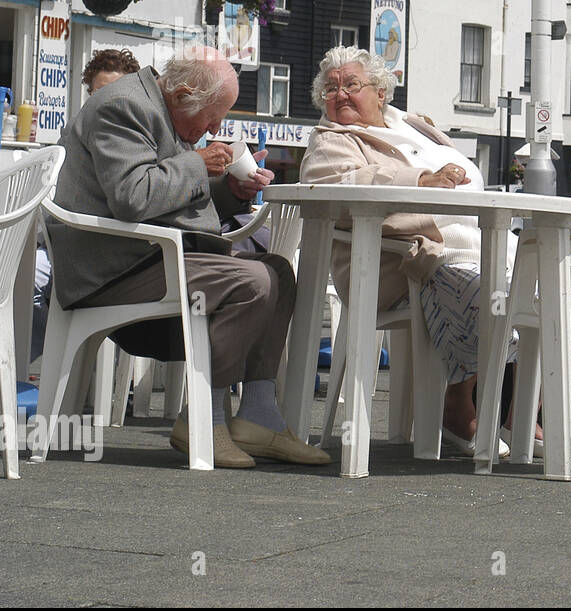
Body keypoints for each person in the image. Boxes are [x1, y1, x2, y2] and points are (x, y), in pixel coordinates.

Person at [47, 44, 329, 468]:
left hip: (146, 256)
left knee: (278, 272)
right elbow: (133, 197)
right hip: (112, 270)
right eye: (212, 117)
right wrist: (198, 164)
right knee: (252, 282)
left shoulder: (159, 107)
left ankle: (257, 415)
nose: (217, 127)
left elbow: (163, 194)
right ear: (181, 96)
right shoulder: (123, 106)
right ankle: (204, 418)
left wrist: (229, 192)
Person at [300, 46, 528, 457]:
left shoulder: (412, 125)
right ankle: (458, 407)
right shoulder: (329, 141)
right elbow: (344, 181)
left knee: (552, 289)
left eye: (351, 84)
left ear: (381, 92)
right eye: (331, 89)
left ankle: (525, 416)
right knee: (488, 297)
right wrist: (421, 179)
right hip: (406, 258)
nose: (340, 95)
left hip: (483, 240)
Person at [33, 48, 144, 360]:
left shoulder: (135, 140)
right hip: (61, 244)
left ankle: (57, 367)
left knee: (32, 281)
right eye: (98, 93)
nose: (105, 101)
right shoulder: (73, 135)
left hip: (104, 258)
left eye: (114, 92)